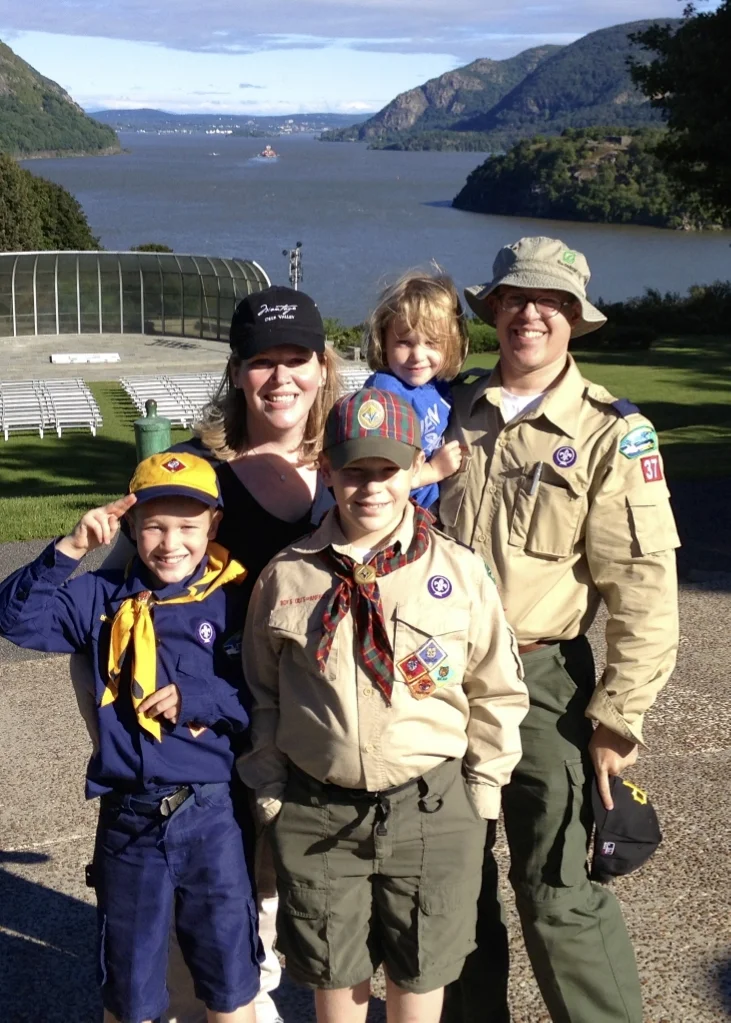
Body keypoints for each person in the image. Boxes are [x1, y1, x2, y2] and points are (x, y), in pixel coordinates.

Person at [69, 284, 342, 1023]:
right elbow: (104, 624)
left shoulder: (355, 474)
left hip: (320, 742)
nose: (280, 378)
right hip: (212, 757)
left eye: (297, 360)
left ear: (322, 366)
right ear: (237, 370)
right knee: (203, 957)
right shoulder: (189, 478)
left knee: (313, 924)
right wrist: (125, 741)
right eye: (262, 362)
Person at [438, 236, 681, 1023]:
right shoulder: (452, 412)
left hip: (542, 680)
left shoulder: (612, 433)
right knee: (448, 885)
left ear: (575, 318)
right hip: (437, 681)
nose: (530, 312)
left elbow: (643, 589)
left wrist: (617, 719)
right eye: (515, 298)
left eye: (551, 301)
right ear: (494, 310)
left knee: (558, 890)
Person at [239, 387, 530, 1023]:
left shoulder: (458, 571)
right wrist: (268, 783)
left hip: (430, 804)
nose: (371, 488)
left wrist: (482, 792)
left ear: (413, 468)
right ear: (328, 471)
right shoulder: (287, 576)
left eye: (388, 471)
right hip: (318, 809)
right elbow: (262, 690)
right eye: (354, 471)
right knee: (334, 977)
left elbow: (497, 687)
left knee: (419, 973)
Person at [0, 452, 260, 1023]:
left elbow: (265, 695)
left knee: (229, 976)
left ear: (212, 526)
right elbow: (16, 620)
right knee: (129, 982)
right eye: (155, 526)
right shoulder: (97, 598)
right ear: (129, 525)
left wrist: (204, 698)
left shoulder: (233, 599)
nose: (172, 542)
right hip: (130, 815)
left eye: (189, 527)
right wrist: (69, 549)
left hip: (210, 813)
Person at [363, 270, 469, 508]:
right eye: (404, 342)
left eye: (432, 343)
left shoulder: (439, 386)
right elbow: (375, 476)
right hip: (392, 511)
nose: (418, 356)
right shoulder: (384, 393)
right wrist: (433, 471)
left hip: (428, 507)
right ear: (384, 342)